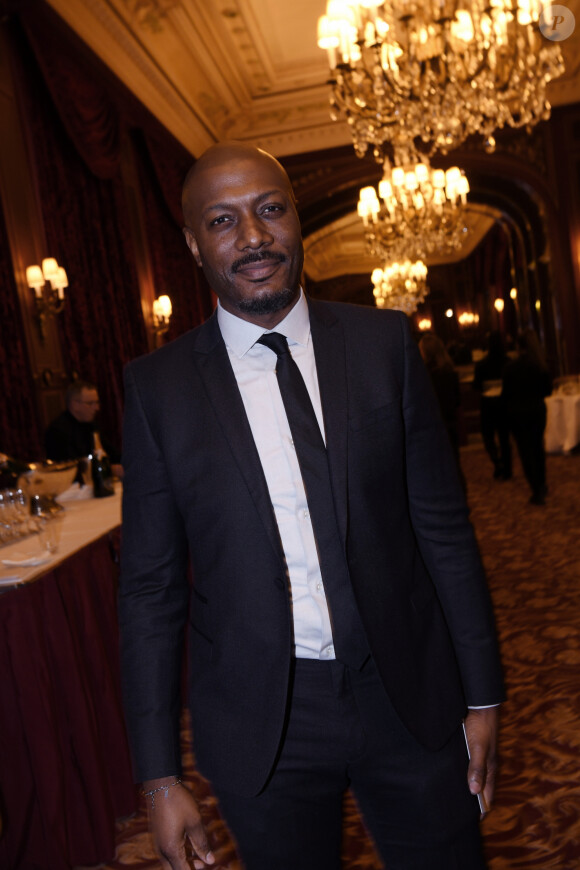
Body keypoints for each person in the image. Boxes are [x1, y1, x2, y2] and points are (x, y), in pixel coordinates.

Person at [119, 142, 504, 870]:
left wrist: (483, 697)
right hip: (264, 721)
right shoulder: (157, 391)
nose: (253, 236)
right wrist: (159, 775)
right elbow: (149, 590)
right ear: (193, 243)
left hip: (409, 694)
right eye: (223, 220)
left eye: (270, 209)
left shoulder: (383, 344)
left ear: (296, 217)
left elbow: (444, 532)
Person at [502, 329, 552, 505]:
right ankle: (542, 483)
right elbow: (548, 391)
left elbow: (505, 394)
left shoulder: (510, 368)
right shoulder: (541, 365)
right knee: (538, 448)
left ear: (517, 346)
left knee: (525, 452)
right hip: (537, 411)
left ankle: (536, 488)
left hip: (518, 414)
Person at [44, 380, 123, 478]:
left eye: (97, 402)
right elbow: (72, 468)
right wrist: (110, 470)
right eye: (90, 403)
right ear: (75, 405)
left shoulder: (91, 424)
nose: (97, 408)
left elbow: (111, 452)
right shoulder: (58, 431)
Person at [418, 332, 464, 484]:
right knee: (455, 465)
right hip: (450, 424)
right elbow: (457, 401)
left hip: (433, 428)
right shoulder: (450, 373)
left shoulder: (423, 376)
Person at [473, 332, 512, 480]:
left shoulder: (482, 364)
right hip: (504, 403)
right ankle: (507, 469)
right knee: (504, 437)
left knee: (488, 435)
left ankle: (497, 462)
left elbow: (476, 386)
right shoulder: (508, 362)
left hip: (488, 404)